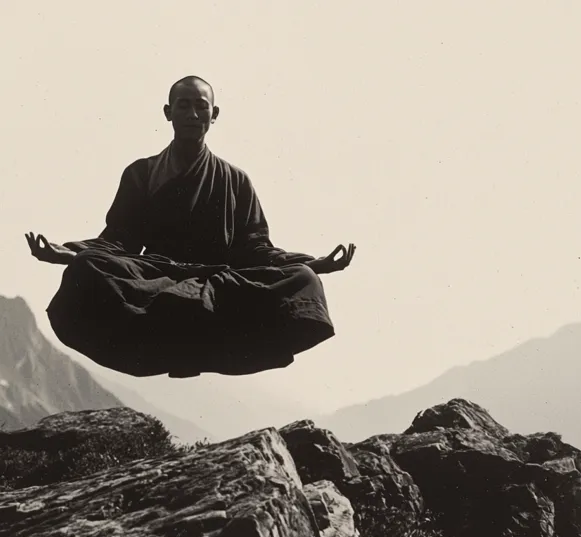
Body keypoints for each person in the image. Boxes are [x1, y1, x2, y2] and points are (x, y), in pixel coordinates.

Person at [26, 76, 355, 378]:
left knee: (303, 279)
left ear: (215, 115)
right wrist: (67, 253)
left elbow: (256, 249)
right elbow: (118, 240)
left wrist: (315, 264)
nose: (193, 114)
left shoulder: (235, 180)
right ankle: (174, 337)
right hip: (155, 277)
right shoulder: (141, 173)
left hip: (220, 280)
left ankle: (193, 338)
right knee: (87, 267)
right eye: (184, 105)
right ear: (168, 112)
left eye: (202, 106)